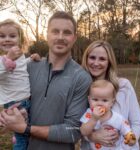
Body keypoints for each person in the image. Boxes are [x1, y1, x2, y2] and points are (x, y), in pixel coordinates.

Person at [0, 11, 92, 150]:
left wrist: (26, 128)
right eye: (55, 31)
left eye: (66, 32)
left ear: (74, 38)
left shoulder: (81, 78)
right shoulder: (29, 66)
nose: (60, 37)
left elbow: (73, 131)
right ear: (47, 35)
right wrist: (6, 117)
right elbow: (9, 90)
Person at [81, 40, 140, 149]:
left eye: (102, 59)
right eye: (92, 57)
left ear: (109, 62)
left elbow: (137, 123)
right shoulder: (82, 88)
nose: (96, 63)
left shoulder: (123, 86)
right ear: (86, 59)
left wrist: (124, 146)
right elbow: (75, 127)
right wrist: (92, 137)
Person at [0, 19, 32, 150]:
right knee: (22, 136)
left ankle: (16, 135)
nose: (7, 39)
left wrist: (31, 59)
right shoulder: (2, 59)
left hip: (26, 100)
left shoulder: (21, 56)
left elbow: (21, 67)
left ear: (20, 39)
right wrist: (8, 58)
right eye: (2, 36)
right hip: (14, 103)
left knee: (25, 131)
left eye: (12, 36)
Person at [80, 79, 136, 150]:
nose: (99, 103)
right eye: (95, 99)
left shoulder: (118, 118)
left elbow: (128, 132)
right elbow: (83, 132)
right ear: (89, 99)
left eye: (104, 100)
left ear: (112, 102)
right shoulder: (89, 114)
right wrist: (93, 119)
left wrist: (131, 140)